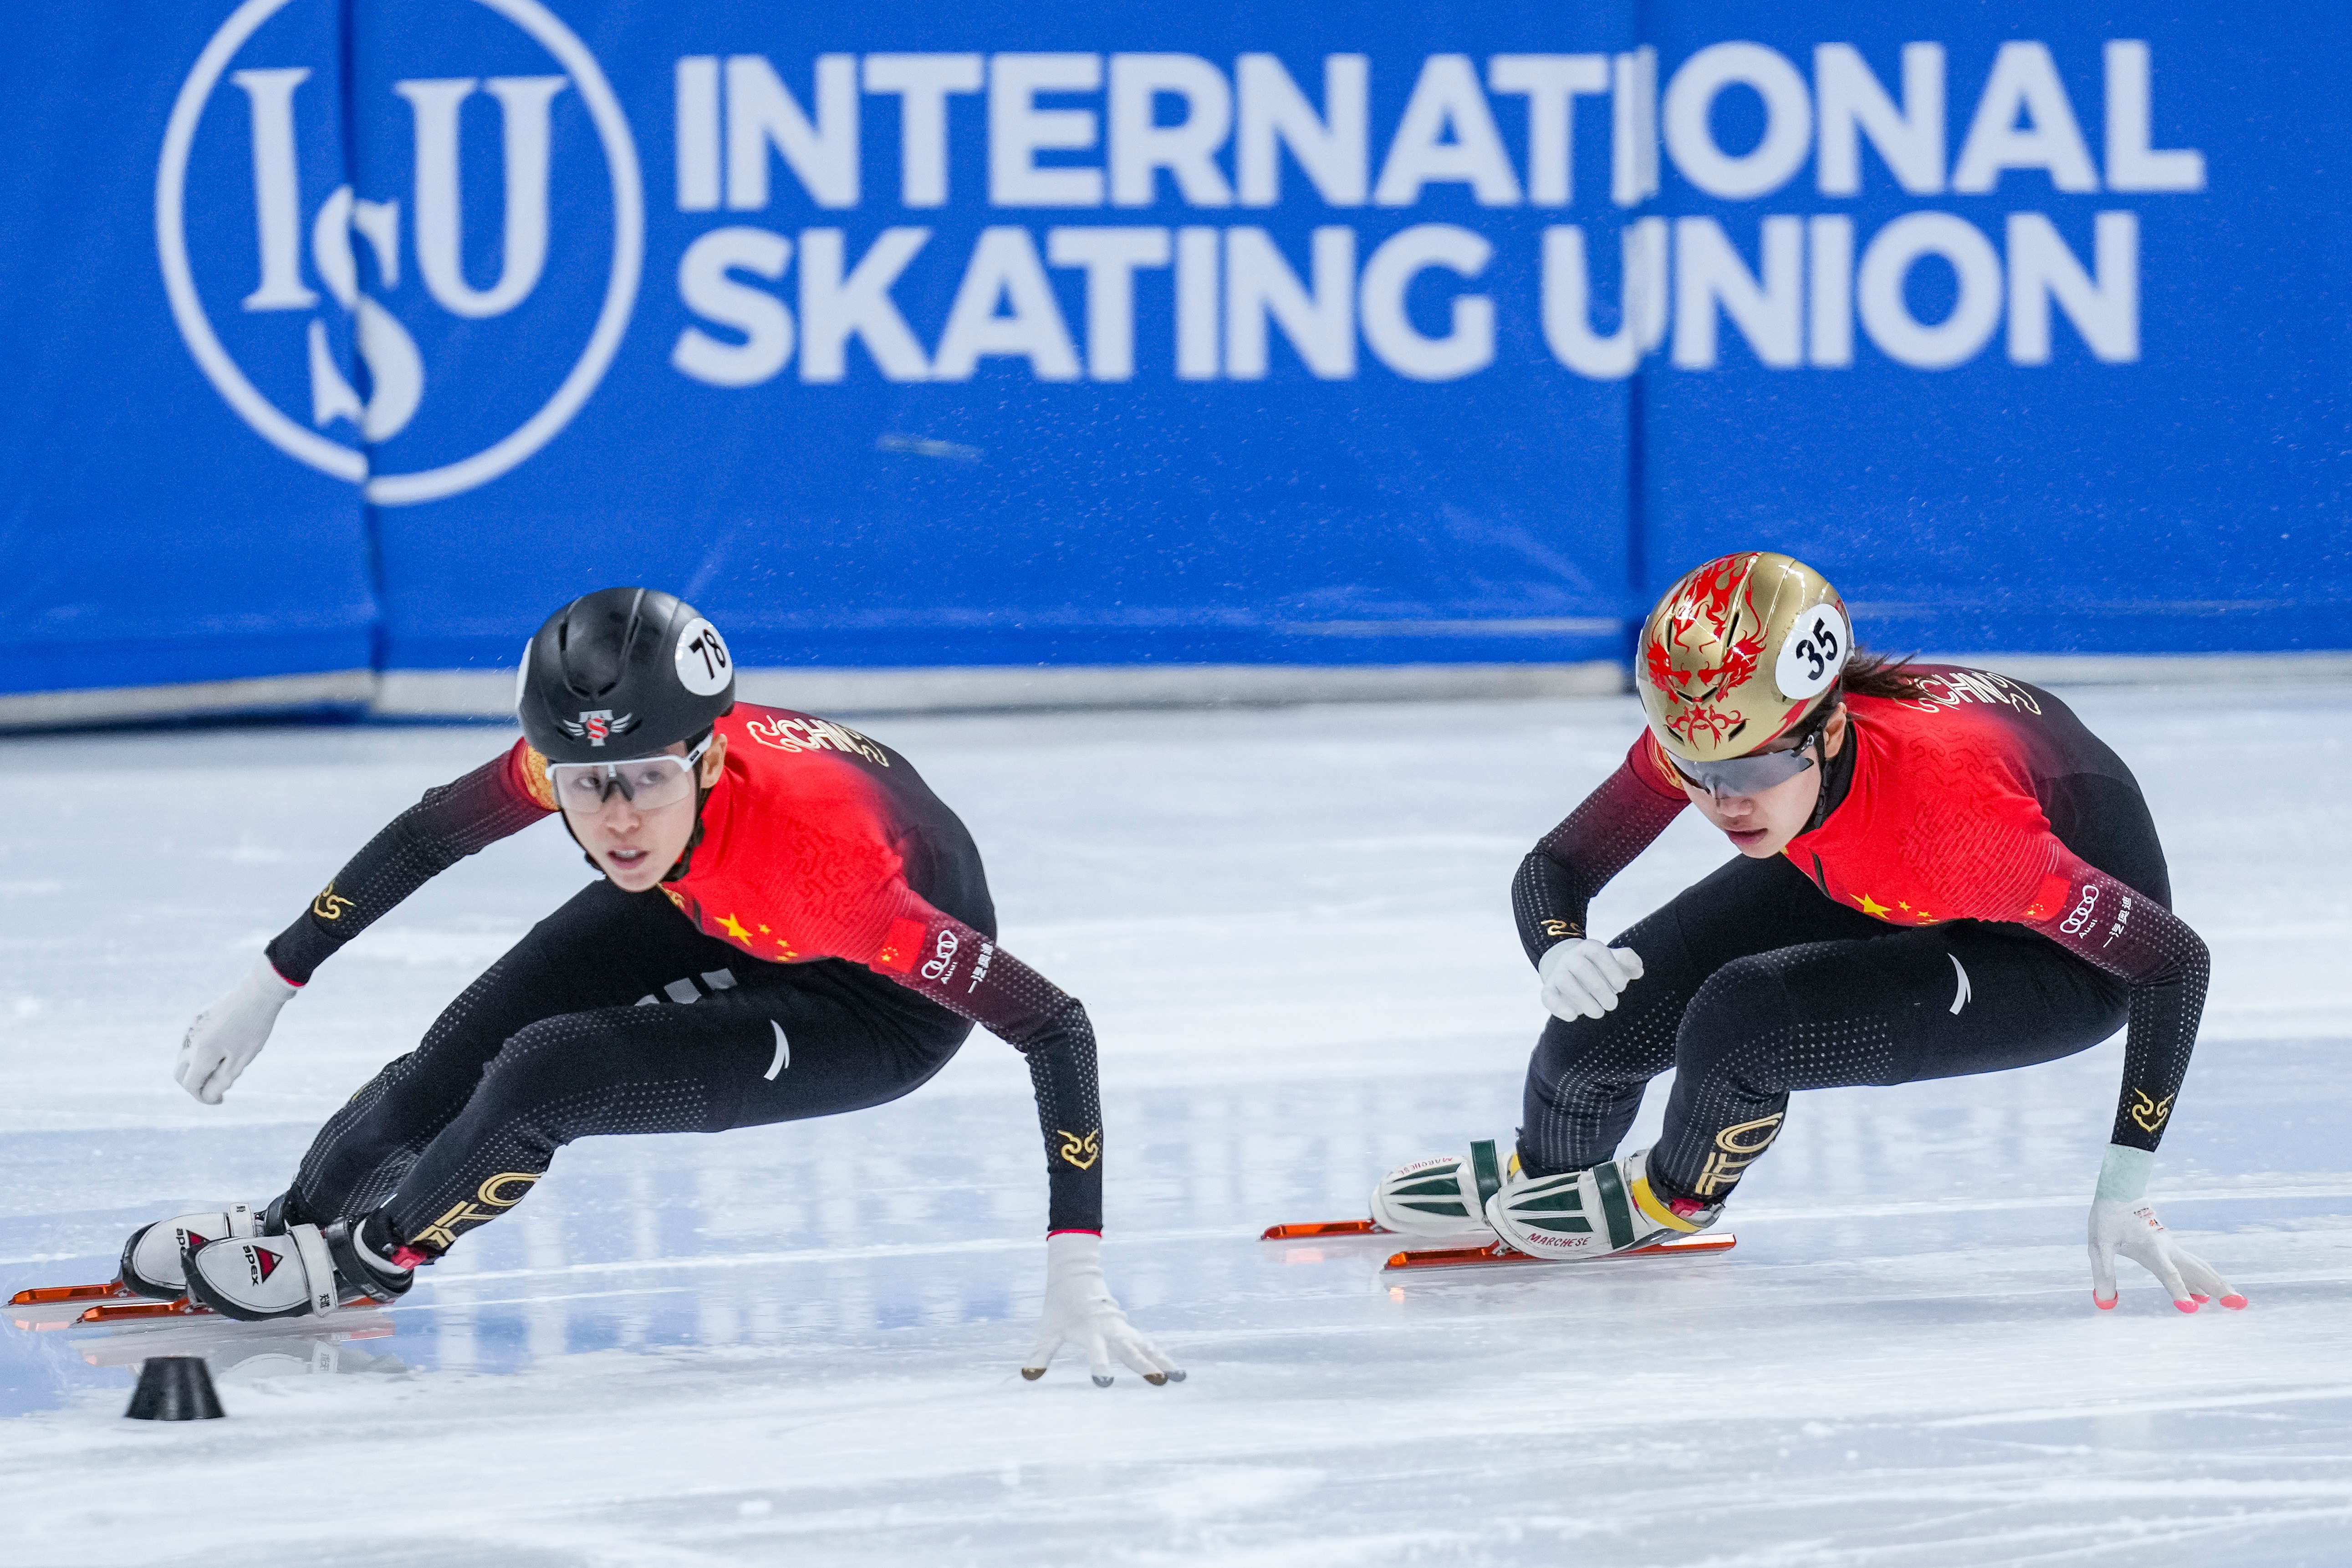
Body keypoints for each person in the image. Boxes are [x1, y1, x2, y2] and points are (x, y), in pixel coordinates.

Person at [123, 587, 1180, 1385]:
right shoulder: (597, 766)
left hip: (870, 1003)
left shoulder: (832, 872)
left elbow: (1054, 1025)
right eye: (586, 789)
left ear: (708, 760)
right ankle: (294, 1219)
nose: (617, 819)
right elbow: (425, 837)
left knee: (549, 1071)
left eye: (646, 782)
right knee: (453, 1056)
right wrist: (276, 977)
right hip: (708, 889)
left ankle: (372, 1256)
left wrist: (1073, 1259)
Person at [1369, 552, 2243, 1313]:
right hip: (1869, 859)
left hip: (2056, 958)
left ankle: (1674, 1195)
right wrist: (1558, 943)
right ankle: (1544, 1169)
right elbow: (1558, 865)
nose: (1723, 802)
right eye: (1692, 771)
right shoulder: (1724, 723)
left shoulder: (1955, 828)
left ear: (1828, 731)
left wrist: (2125, 1185)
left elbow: (2171, 962)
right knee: (1595, 1028)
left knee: (1746, 1019)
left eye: (1749, 768)